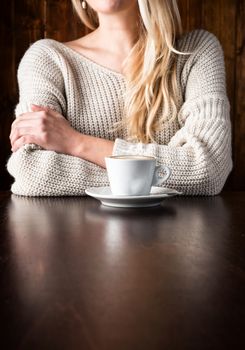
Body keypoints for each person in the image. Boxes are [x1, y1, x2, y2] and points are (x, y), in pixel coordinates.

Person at [7, 0, 232, 196]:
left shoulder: (197, 52)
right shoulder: (48, 59)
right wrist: (159, 177)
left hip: (177, 240)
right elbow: (31, 172)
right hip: (80, 238)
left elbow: (208, 170)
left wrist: (76, 143)